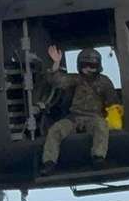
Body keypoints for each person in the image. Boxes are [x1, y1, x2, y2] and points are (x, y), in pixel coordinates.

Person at [40, 46, 120, 175]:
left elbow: (113, 102)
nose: (88, 69)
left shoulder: (104, 82)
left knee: (101, 126)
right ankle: (49, 162)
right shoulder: (76, 79)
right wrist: (56, 62)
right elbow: (56, 81)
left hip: (94, 117)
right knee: (56, 129)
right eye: (85, 65)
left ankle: (98, 157)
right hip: (74, 118)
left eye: (92, 65)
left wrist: (113, 117)